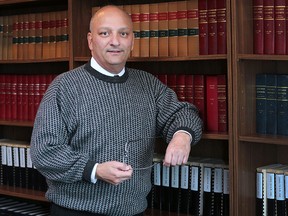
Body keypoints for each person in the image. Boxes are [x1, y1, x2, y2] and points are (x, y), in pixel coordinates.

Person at [30, 5, 202, 216]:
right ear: (91, 41)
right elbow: (44, 152)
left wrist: (182, 137)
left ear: (132, 41)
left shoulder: (147, 84)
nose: (115, 41)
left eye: (123, 33)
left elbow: (183, 112)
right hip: (75, 211)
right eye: (105, 33)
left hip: (134, 210)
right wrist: (95, 170)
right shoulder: (64, 86)